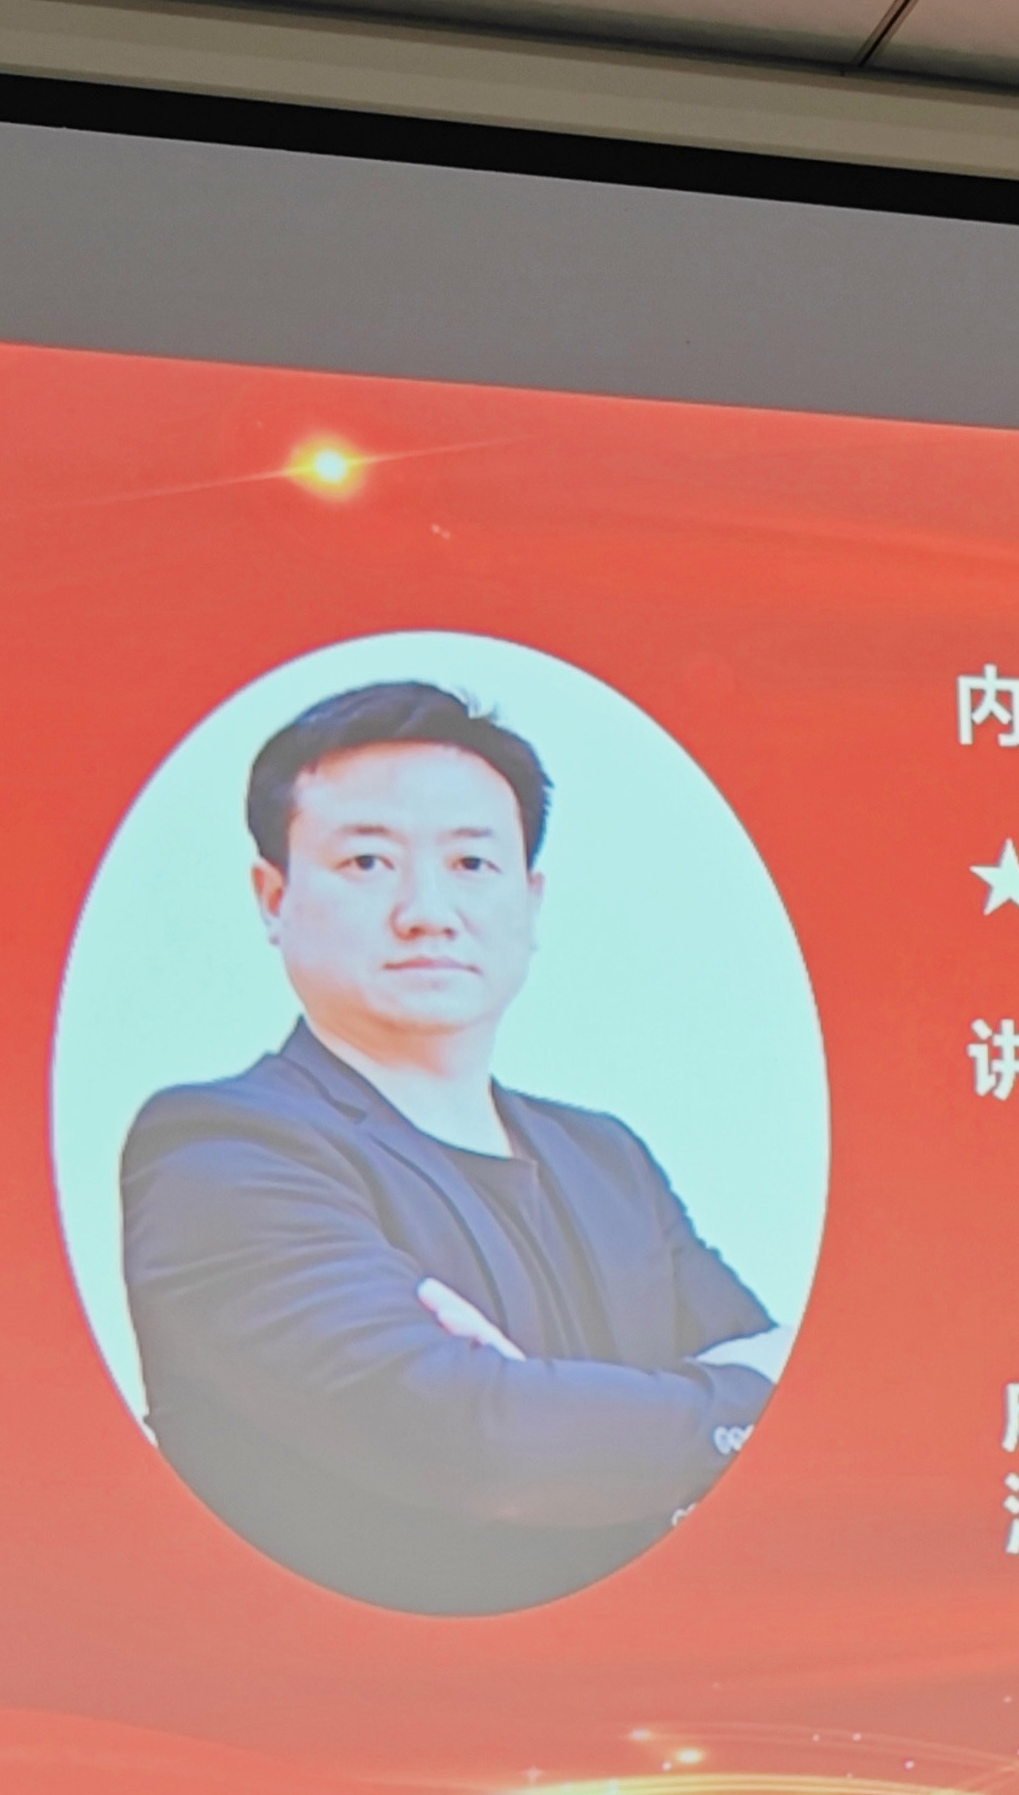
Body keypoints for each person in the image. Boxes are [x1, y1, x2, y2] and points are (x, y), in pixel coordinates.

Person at [121, 681, 788, 1617]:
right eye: (366, 862)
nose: (427, 912)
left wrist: (551, 1408)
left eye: (473, 863)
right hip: (363, 1689)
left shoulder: (606, 1161)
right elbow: (473, 1442)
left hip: (633, 1679)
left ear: (530, 901)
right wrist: (573, 1419)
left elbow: (793, 1413)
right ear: (273, 899)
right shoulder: (221, 1152)